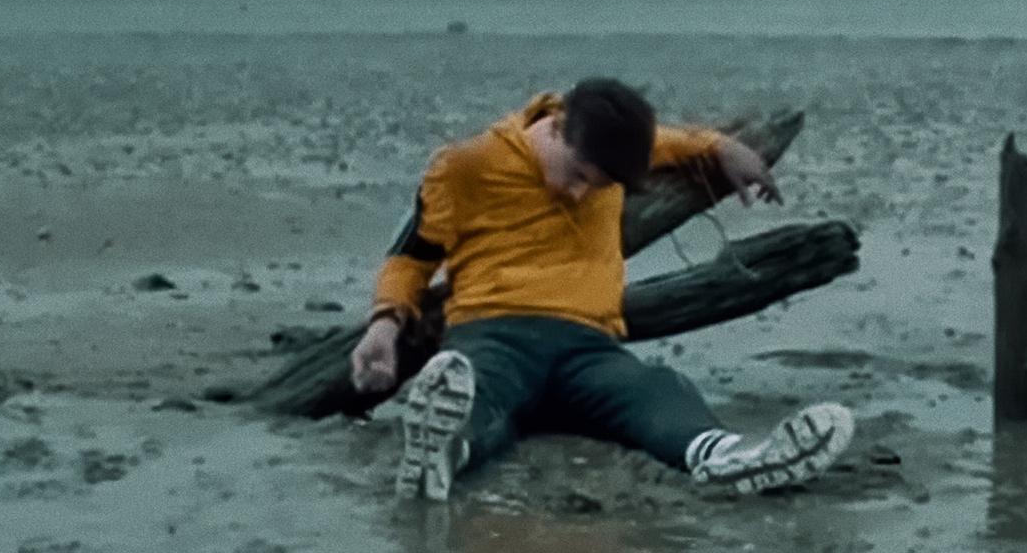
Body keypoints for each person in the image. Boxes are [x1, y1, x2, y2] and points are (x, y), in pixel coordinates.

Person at [348, 77, 856, 501]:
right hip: (493, 334)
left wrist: (724, 148)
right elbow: (410, 258)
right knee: (481, 400)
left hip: (587, 346)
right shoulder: (465, 166)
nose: (579, 192)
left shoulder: (613, 154)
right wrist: (383, 325)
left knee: (654, 387)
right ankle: (441, 453)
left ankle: (726, 456)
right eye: (576, 175)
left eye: (597, 185)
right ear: (559, 127)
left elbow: (671, 140)